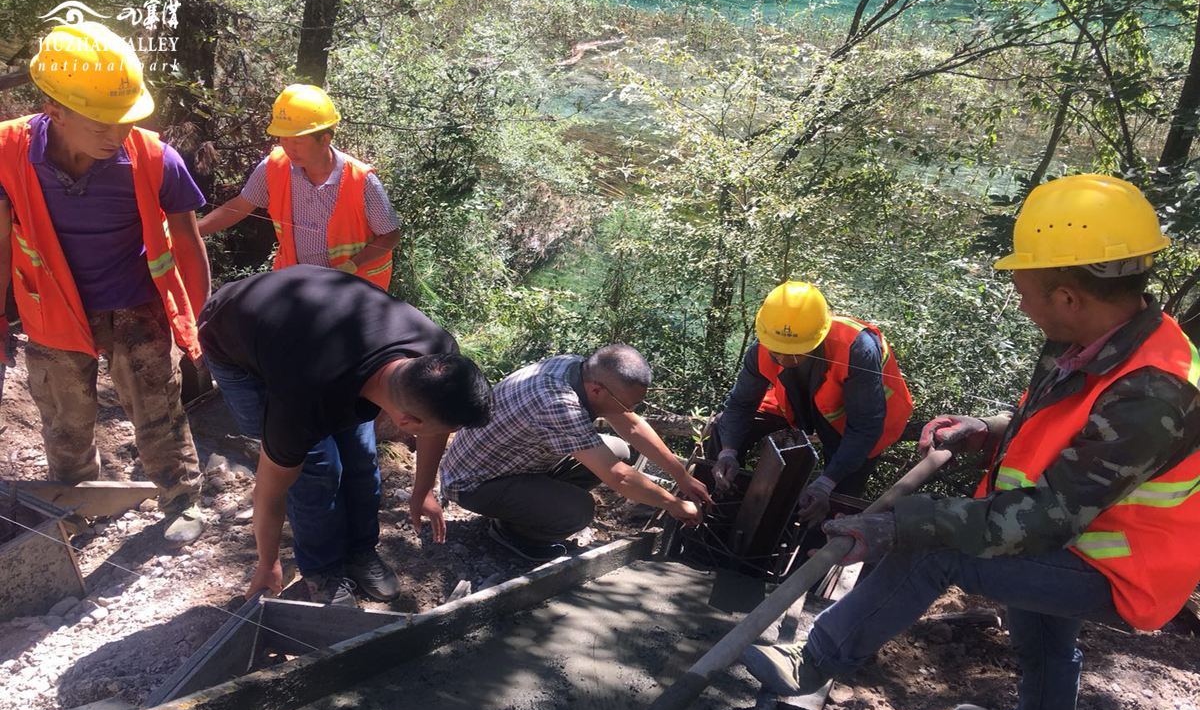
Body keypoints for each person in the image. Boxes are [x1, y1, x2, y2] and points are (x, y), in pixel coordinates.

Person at [740, 175, 1200, 710]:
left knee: (932, 551)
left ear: (1067, 296)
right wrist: (987, 429)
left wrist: (907, 523)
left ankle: (814, 660)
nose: (1017, 296)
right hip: (1075, 537)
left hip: (1119, 566)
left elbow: (1048, 517)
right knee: (1041, 636)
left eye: (1023, 285)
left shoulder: (1154, 393)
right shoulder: (1090, 340)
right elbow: (1057, 425)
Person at [0, 22, 211, 543]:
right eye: (101, 123)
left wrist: (194, 326)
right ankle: (74, 501)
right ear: (55, 110)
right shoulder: (7, 151)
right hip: (51, 308)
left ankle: (180, 496)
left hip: (135, 304)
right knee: (64, 418)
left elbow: (187, 245)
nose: (116, 134)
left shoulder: (156, 157)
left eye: (125, 119)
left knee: (156, 403)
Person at [197, 265, 492, 605]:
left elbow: (435, 422)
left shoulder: (441, 361)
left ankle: (360, 551)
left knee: (362, 462)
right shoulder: (302, 401)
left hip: (312, 322)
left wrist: (422, 490)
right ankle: (322, 570)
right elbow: (270, 490)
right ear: (406, 421)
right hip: (232, 330)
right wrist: (268, 564)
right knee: (317, 472)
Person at [439, 345, 711, 561]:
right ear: (597, 390)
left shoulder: (576, 367)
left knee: (617, 449)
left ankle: (532, 507)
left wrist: (681, 476)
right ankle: (513, 532)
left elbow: (632, 424)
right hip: (473, 484)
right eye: (625, 404)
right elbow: (620, 478)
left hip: (509, 463)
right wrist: (673, 504)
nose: (628, 410)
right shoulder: (559, 403)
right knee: (580, 510)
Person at [709, 281, 913, 524]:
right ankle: (717, 510)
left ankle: (817, 546)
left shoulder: (857, 347)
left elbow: (864, 427)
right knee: (724, 428)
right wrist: (727, 452)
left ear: (819, 337)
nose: (783, 359)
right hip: (798, 401)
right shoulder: (762, 345)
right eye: (777, 351)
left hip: (860, 419)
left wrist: (826, 483)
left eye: (794, 352)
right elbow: (740, 405)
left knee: (839, 494)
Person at [197, 84, 401, 289]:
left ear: (324, 139)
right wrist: (192, 231)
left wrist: (350, 267)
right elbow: (239, 207)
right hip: (295, 286)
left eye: (298, 141)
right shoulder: (274, 167)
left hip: (353, 289)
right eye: (284, 138)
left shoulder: (361, 181)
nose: (289, 147)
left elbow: (390, 235)